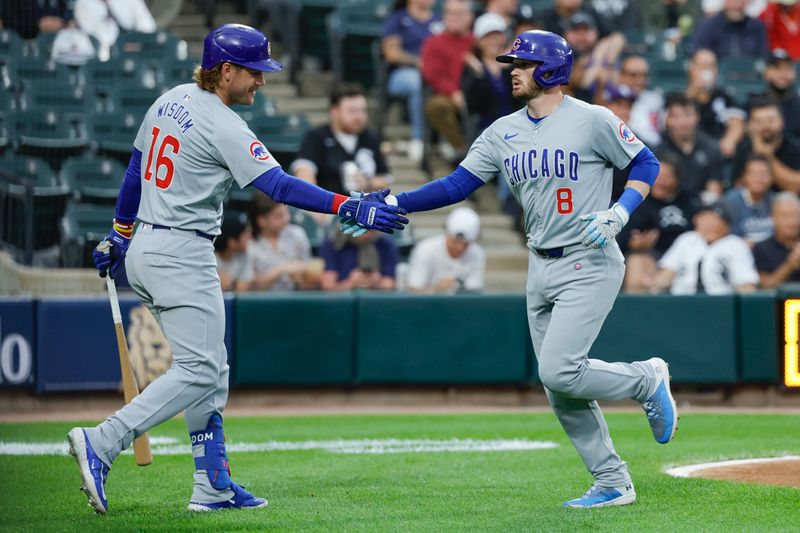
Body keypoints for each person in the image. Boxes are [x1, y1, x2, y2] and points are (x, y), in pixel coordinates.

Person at [69, 24, 407, 515]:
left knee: (213, 369)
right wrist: (349, 205)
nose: (262, 82)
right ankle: (102, 442)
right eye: (254, 72)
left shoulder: (170, 98)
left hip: (148, 246)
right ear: (226, 70)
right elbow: (281, 187)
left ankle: (213, 483)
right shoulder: (222, 123)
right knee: (200, 369)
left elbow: (135, 168)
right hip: (181, 253)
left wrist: (119, 233)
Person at [344, 30, 676, 508]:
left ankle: (646, 378)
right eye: (512, 64)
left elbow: (645, 162)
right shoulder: (503, 131)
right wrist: (395, 200)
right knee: (557, 385)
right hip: (539, 264)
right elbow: (456, 184)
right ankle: (612, 480)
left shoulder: (593, 119)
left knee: (561, 370)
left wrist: (621, 211)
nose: (513, 71)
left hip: (589, 256)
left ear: (551, 70)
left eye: (522, 63)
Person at [291, 82, 392, 226]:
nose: (359, 117)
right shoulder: (316, 137)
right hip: (328, 211)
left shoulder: (370, 138)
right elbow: (304, 174)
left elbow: (385, 178)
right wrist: (317, 207)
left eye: (362, 110)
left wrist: (368, 183)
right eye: (352, 111)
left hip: (364, 212)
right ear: (334, 111)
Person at [617, 152, 698, 292]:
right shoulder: (639, 202)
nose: (660, 181)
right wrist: (635, 245)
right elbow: (621, 240)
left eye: (666, 177)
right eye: (657, 176)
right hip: (654, 256)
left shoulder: (688, 200)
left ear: (677, 179)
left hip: (687, 255)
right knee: (636, 262)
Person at [381, 0, 443, 162]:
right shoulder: (398, 19)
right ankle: (418, 138)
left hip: (436, 74)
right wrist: (418, 62)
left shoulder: (439, 20)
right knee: (416, 82)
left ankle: (447, 141)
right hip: (403, 73)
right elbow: (391, 53)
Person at [652, 202, 759, 294]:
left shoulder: (735, 244)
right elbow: (667, 272)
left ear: (727, 226)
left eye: (714, 219)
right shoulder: (687, 239)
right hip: (682, 302)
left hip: (720, 304)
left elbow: (746, 284)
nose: (709, 224)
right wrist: (655, 284)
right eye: (705, 218)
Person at [420, 0, 475, 163]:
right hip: (447, 96)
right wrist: (453, 92)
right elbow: (432, 75)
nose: (455, 18)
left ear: (470, 17)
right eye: (450, 13)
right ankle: (462, 148)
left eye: (460, 13)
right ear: (443, 16)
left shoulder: (477, 41)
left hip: (476, 94)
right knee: (436, 106)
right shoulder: (433, 42)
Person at [659, 92, 724, 200]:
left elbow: (714, 187)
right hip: (668, 204)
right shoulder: (658, 150)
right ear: (667, 120)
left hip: (701, 205)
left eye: (688, 115)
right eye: (676, 116)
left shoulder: (711, 148)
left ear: (697, 117)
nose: (683, 122)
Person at [406, 206, 486, 293]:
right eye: (455, 242)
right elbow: (413, 290)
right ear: (447, 233)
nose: (460, 248)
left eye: (465, 244)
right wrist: (435, 290)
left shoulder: (477, 253)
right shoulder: (425, 249)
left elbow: (473, 292)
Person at [685, 49, 746, 157]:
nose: (706, 70)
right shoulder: (684, 98)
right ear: (692, 69)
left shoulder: (724, 96)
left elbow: (737, 123)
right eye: (701, 66)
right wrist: (695, 90)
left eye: (710, 66)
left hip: (718, 150)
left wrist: (729, 140)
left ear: (716, 71)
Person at [249, 195, 319, 291]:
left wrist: (305, 277)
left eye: (287, 213)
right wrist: (281, 269)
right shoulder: (250, 245)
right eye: (279, 216)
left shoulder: (297, 235)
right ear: (262, 220)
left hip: (296, 300)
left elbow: (308, 278)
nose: (286, 218)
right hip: (263, 303)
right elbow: (251, 288)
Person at [730, 98, 800, 193]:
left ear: (782, 122)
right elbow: (738, 190)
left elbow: (797, 187)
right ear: (751, 125)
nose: (765, 126)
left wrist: (767, 156)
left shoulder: (795, 147)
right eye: (759, 121)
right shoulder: (744, 148)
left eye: (771, 120)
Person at [319, 231, 400, 291]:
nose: (367, 234)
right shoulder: (334, 242)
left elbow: (390, 283)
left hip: (376, 304)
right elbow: (328, 286)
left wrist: (376, 282)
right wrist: (350, 283)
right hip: (342, 304)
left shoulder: (386, 243)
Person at [74, 0, 156, 59]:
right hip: (99, 57)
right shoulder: (83, 3)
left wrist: (137, 43)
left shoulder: (132, 1)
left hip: (131, 53)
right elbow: (90, 35)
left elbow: (148, 28)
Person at [721, 154, 775, 244]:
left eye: (764, 173)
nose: (759, 178)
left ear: (771, 177)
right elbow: (728, 238)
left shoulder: (777, 202)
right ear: (745, 177)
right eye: (754, 173)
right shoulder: (730, 202)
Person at [692, 0, 770, 61]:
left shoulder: (757, 27)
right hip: (718, 79)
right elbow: (700, 57)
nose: (737, 4)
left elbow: (763, 58)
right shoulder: (708, 26)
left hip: (750, 78)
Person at [753, 191, 800, 287]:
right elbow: (766, 287)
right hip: (779, 301)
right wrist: (791, 264)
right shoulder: (761, 248)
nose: (791, 222)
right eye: (785, 216)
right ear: (773, 218)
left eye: (795, 216)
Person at [751, 49, 800, 140]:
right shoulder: (754, 103)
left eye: (787, 68)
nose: (783, 73)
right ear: (766, 72)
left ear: (794, 73)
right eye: (777, 68)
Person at [618, 55, 663, 147]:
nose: (640, 79)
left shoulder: (655, 99)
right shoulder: (613, 100)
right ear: (622, 76)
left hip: (655, 150)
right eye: (633, 75)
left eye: (644, 75)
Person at [214, 209, 255, 292]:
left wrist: (233, 283)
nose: (250, 237)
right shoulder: (210, 256)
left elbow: (243, 288)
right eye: (245, 234)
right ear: (231, 242)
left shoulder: (246, 253)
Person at [0, 0, 71, 39]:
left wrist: (67, 23)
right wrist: (37, 26)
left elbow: (66, 13)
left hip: (55, 45)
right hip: (22, 49)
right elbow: (8, 21)